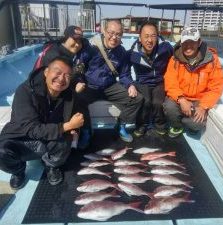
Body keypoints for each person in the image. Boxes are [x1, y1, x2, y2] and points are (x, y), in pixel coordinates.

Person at [0, 57, 84, 190]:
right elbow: (32, 129)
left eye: (67, 75)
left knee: (67, 138)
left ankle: (52, 165)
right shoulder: (25, 91)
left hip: (50, 140)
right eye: (57, 72)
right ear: (46, 72)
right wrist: (68, 126)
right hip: (22, 138)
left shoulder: (70, 95)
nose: (61, 79)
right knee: (2, 151)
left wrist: (76, 130)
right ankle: (18, 171)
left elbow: (78, 118)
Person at [76, 19, 143, 143]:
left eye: (118, 34)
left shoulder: (121, 51)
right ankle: (86, 130)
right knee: (76, 99)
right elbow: (79, 68)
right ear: (104, 32)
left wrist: (130, 84)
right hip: (90, 86)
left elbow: (124, 74)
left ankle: (121, 126)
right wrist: (79, 81)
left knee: (136, 98)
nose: (114, 37)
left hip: (109, 86)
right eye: (111, 33)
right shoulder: (91, 47)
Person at [163, 27, 223, 138]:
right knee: (168, 107)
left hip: (199, 100)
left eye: (192, 42)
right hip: (180, 97)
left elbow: (216, 87)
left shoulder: (212, 60)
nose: (188, 46)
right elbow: (170, 81)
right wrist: (182, 100)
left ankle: (188, 122)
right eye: (185, 43)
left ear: (199, 42)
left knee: (197, 123)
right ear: (181, 43)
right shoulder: (174, 59)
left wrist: (203, 107)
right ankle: (177, 125)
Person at [128, 21, 173, 137]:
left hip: (159, 81)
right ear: (140, 38)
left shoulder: (166, 48)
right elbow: (124, 70)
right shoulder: (133, 54)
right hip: (142, 82)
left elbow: (177, 56)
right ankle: (142, 125)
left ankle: (160, 125)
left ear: (157, 37)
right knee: (145, 101)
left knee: (158, 102)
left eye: (153, 36)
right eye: (146, 36)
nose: (150, 40)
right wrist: (130, 84)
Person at [33, 25, 88, 93]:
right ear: (66, 38)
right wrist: (75, 88)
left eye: (80, 42)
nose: (77, 44)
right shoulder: (55, 56)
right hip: (43, 92)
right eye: (75, 40)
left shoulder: (61, 48)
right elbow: (58, 81)